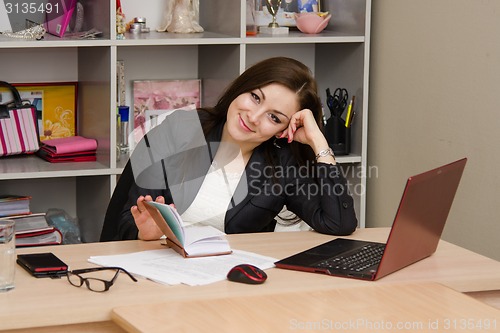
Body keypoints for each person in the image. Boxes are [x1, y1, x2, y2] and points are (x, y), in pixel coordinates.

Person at [114, 57, 358, 241]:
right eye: (255, 97)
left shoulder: (282, 163)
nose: (253, 117)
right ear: (243, 86)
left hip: (231, 284)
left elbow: (339, 223)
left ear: (284, 129)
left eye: (274, 117)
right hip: (156, 276)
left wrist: (319, 142)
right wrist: (143, 232)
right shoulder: (181, 129)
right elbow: (122, 220)